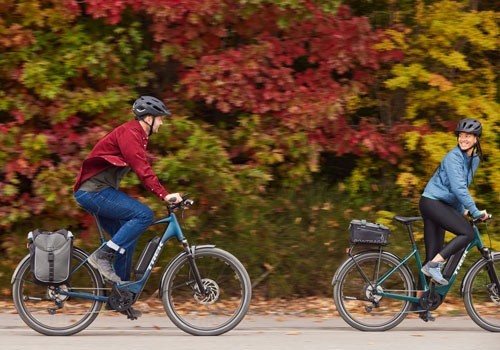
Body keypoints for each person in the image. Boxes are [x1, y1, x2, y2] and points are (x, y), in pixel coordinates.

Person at [74, 96, 183, 286]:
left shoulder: (137, 136)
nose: (162, 123)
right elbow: (142, 168)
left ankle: (121, 294)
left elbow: (142, 168)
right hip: (93, 192)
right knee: (144, 215)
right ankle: (102, 256)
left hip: (98, 191)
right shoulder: (130, 134)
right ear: (149, 118)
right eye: (160, 118)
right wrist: (164, 195)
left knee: (127, 240)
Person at [419, 118, 488, 287]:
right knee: (468, 234)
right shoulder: (453, 157)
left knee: (432, 255)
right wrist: (475, 211)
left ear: (476, 139)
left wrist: (463, 210)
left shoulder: (474, 160)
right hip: (432, 202)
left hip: (439, 204)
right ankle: (435, 265)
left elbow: (459, 188)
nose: (463, 139)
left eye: (468, 136)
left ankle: (419, 305)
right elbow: (459, 189)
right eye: (461, 136)